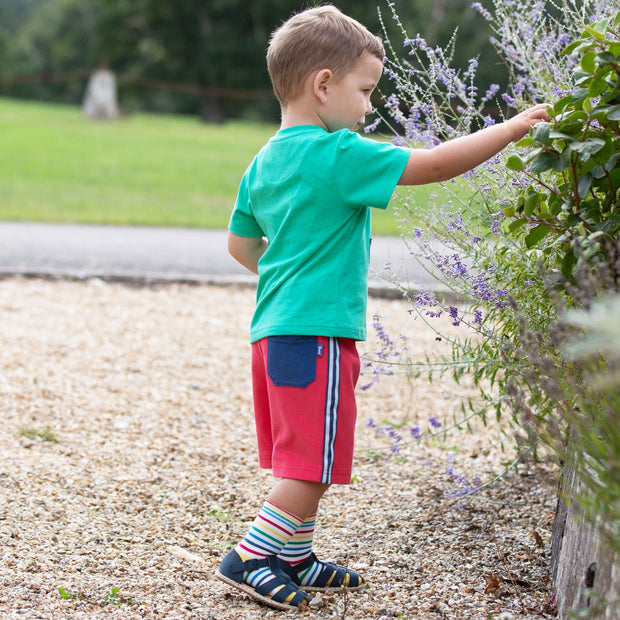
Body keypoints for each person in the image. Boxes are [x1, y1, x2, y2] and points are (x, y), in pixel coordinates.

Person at [214, 4, 549, 612]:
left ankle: (294, 555)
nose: (369, 107)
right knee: (310, 461)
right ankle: (253, 555)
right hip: (316, 334)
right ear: (323, 84)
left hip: (275, 332)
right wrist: (511, 129)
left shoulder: (263, 160)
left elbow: (241, 245)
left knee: (306, 449)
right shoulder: (337, 153)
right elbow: (435, 164)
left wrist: (288, 281)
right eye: (365, 90)